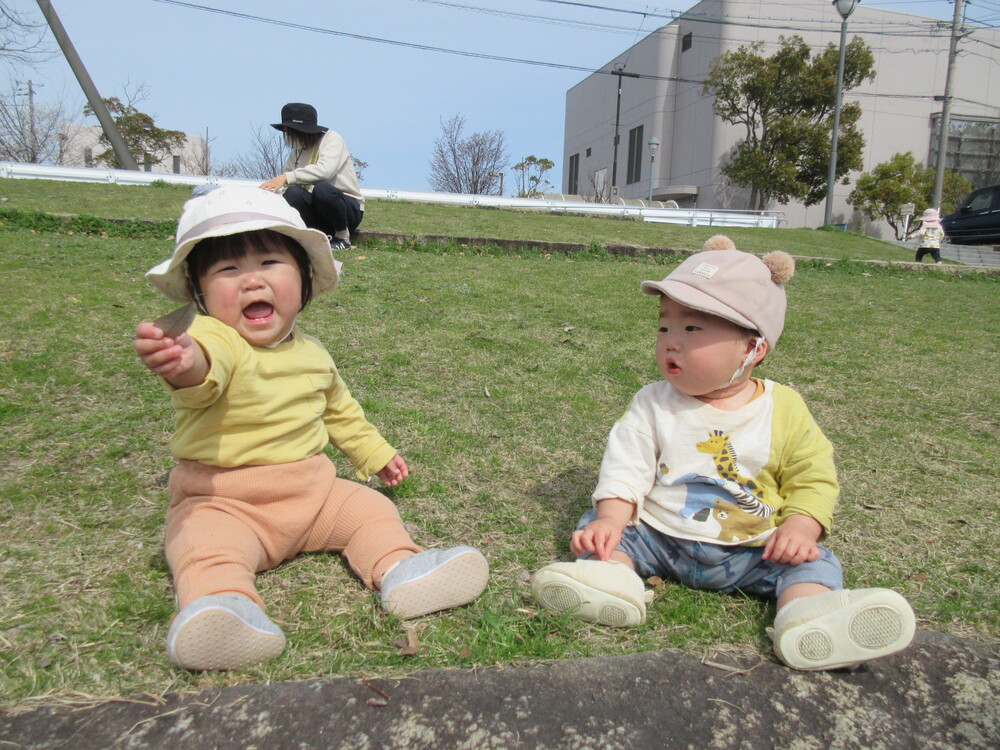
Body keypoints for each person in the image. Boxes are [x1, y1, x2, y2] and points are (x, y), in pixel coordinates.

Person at [134, 186, 488, 671]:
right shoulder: (212, 338)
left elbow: (341, 411)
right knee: (204, 545)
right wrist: (180, 362)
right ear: (198, 293)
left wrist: (375, 453)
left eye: (268, 263)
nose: (251, 281)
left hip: (314, 497)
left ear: (303, 280)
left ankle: (399, 570)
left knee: (369, 511)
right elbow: (201, 372)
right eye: (228, 270)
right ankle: (225, 609)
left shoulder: (314, 354)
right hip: (225, 502)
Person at [530, 236, 915, 671]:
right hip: (660, 539)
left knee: (814, 564)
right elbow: (626, 466)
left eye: (692, 329)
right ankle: (613, 581)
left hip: (754, 549)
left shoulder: (784, 408)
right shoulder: (652, 402)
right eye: (663, 327)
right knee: (603, 534)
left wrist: (802, 529)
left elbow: (813, 476)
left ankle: (807, 617)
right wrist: (610, 520)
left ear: (754, 348)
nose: (671, 342)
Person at [260, 102, 363, 250]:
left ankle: (342, 238)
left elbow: (325, 171)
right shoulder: (296, 152)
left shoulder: (332, 139)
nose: (287, 134)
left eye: (289, 130)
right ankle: (306, 237)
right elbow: (288, 185)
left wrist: (286, 177)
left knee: (322, 190)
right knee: (293, 193)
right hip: (318, 212)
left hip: (345, 209)